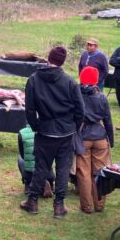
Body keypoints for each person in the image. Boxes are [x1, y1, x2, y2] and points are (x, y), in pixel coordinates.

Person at [21, 46, 84, 218]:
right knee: (62, 169)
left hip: (50, 131)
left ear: (49, 59)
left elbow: (29, 109)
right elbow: (80, 110)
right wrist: (73, 127)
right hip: (59, 131)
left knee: (42, 167)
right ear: (62, 62)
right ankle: (56, 205)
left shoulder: (36, 79)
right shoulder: (67, 82)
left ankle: (35, 201)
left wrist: (36, 126)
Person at [74, 66, 114, 214]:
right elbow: (108, 120)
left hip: (83, 137)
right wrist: (111, 139)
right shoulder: (102, 97)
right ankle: (99, 204)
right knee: (100, 172)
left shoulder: (77, 96)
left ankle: (86, 206)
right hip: (100, 137)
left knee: (83, 173)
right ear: (96, 80)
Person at [17, 123, 53, 197]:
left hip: (30, 172)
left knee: (20, 158)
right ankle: (48, 182)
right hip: (46, 170)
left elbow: (22, 154)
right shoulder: (48, 130)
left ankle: (28, 184)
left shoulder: (22, 132)